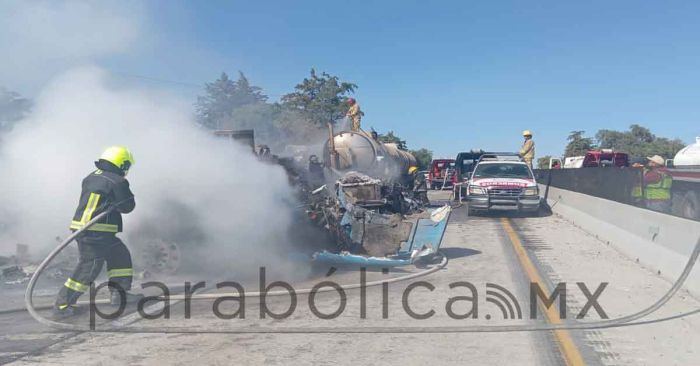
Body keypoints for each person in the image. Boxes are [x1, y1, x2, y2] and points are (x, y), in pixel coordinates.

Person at [54, 146, 143, 318]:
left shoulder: (91, 177)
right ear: (122, 163)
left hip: (93, 231)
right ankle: (62, 305)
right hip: (95, 232)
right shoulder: (117, 181)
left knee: (120, 255)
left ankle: (120, 294)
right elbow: (127, 206)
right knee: (89, 268)